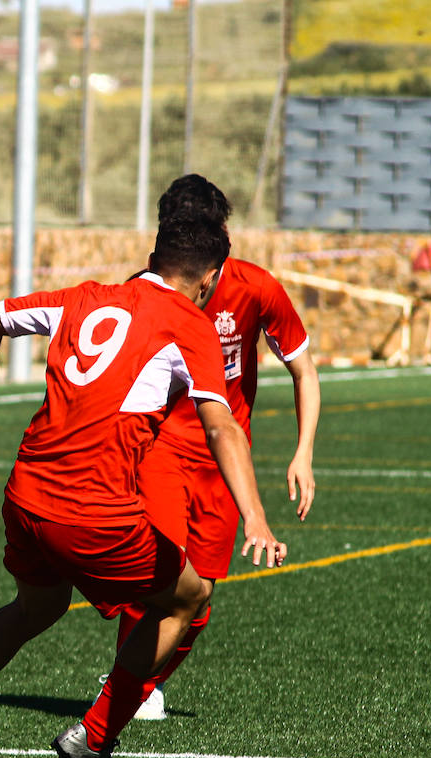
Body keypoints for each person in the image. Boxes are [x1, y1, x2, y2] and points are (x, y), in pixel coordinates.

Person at [0, 214, 287, 758]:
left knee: (35, 608)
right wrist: (257, 518)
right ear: (210, 276)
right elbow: (221, 427)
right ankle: (93, 738)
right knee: (188, 598)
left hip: (26, 498)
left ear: (153, 256)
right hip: (92, 514)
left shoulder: (85, 296)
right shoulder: (189, 324)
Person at [90, 175, 321, 721]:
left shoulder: (257, 288)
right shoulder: (146, 289)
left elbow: (303, 370)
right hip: (162, 450)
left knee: (200, 604)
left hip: (224, 463)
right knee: (161, 581)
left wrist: (302, 451)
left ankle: (141, 681)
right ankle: (123, 690)